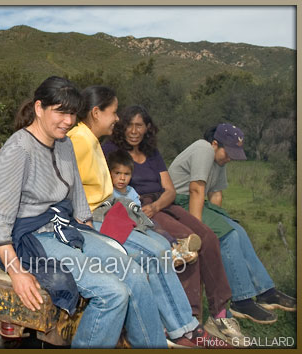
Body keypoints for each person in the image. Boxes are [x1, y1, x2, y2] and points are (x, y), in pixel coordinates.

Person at [0, 76, 166, 349]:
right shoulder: (18, 149)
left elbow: (77, 194)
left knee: (135, 275)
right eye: (60, 111)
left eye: (71, 113)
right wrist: (17, 272)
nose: (68, 120)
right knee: (112, 293)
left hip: (65, 228)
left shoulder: (65, 143)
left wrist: (92, 239)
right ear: (38, 108)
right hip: (32, 237)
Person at [67, 86, 215, 348]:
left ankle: (185, 325)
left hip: (106, 211)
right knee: (152, 254)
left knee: (160, 245)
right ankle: (180, 328)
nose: (116, 119)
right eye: (113, 113)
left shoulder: (91, 140)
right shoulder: (79, 140)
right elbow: (67, 186)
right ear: (96, 112)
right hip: (91, 217)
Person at [102, 105, 245, 346]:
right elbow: (109, 187)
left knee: (207, 236)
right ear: (122, 126)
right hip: (136, 207)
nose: (134, 131)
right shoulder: (110, 150)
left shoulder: (152, 152)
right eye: (129, 125)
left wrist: (157, 206)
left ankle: (220, 312)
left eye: (140, 125)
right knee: (187, 244)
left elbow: (169, 190)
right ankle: (187, 318)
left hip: (160, 203)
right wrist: (141, 209)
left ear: (148, 128)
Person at [168, 123, 296, 323]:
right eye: (228, 152)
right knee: (229, 236)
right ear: (215, 144)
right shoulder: (203, 149)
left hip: (197, 201)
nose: (229, 158)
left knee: (239, 230)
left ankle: (266, 291)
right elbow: (196, 189)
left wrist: (221, 219)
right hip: (178, 202)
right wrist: (199, 230)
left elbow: (216, 194)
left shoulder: (219, 161)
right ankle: (241, 300)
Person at [106, 149, 199, 266]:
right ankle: (175, 250)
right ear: (109, 173)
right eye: (118, 173)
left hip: (138, 220)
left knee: (156, 226)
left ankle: (177, 247)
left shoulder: (132, 191)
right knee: (153, 233)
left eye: (126, 174)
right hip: (126, 225)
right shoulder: (110, 192)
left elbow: (138, 208)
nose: (122, 178)